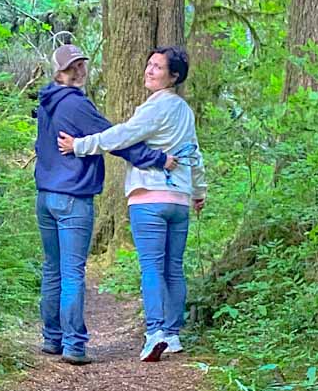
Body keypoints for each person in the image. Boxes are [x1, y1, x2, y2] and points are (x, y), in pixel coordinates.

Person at [59, 46, 205, 363]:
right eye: (149, 65)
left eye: (158, 67)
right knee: (173, 268)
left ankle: (155, 333)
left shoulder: (157, 108)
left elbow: (122, 136)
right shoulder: (185, 111)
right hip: (179, 199)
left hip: (148, 197)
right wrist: (198, 191)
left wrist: (80, 145)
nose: (149, 71)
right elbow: (194, 154)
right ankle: (173, 332)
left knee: (153, 267)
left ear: (173, 76)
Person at [34, 43, 175, 365]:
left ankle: (52, 338)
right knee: (70, 272)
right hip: (73, 197)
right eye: (74, 67)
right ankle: (73, 345)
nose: (79, 71)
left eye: (80, 64)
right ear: (63, 72)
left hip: (46, 196)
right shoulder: (75, 106)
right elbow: (115, 139)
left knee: (53, 269)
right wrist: (157, 159)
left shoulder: (47, 102)